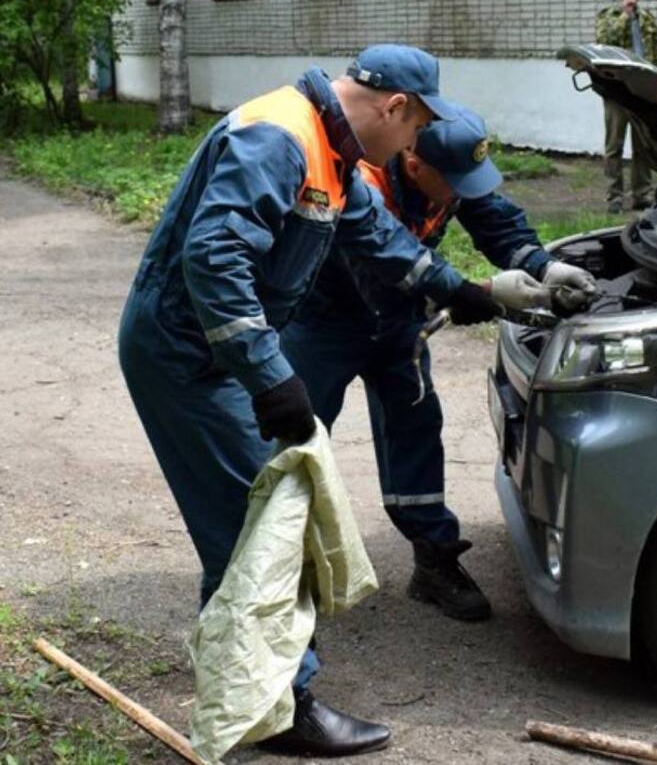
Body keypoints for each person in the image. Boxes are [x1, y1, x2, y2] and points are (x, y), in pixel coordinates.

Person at [117, 45, 529, 758]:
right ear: (395, 107)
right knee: (258, 527)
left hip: (215, 351)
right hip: (187, 356)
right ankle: (280, 706)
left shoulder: (329, 152)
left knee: (258, 520)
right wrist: (270, 375)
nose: (408, 148)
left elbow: (380, 240)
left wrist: (468, 292)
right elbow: (215, 258)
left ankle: (250, 687)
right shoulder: (280, 137)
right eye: (410, 132)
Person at [281, 106, 597, 621]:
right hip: (325, 323)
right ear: (411, 159)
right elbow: (383, 263)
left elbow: (492, 217)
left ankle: (433, 559)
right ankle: (283, 564)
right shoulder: (360, 182)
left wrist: (545, 266)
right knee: (299, 439)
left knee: (417, 427)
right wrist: (482, 293)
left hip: (397, 325)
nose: (459, 193)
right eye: (451, 183)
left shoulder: (449, 172)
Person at [595, 0, 657, 213]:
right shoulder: (608, 16)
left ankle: (641, 194)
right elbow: (605, 41)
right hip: (617, 90)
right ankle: (614, 197)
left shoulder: (647, 18)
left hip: (643, 91)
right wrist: (625, 15)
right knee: (614, 145)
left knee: (643, 146)